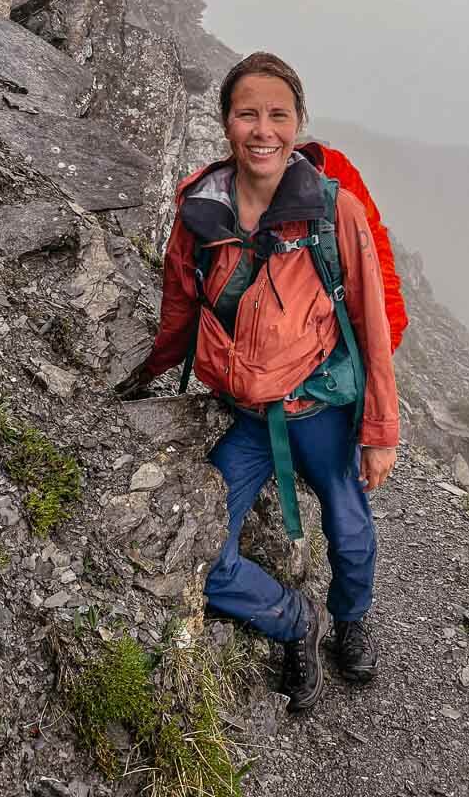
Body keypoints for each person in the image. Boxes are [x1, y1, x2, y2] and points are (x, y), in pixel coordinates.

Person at [116, 52, 399, 712]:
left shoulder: (336, 213)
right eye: (248, 113)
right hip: (244, 414)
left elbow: (372, 325)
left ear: (298, 124)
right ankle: (295, 620)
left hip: (320, 407)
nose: (263, 129)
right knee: (203, 552)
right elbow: (180, 306)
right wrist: (149, 371)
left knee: (353, 530)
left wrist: (380, 430)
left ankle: (352, 619)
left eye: (278, 114)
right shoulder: (201, 209)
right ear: (226, 123)